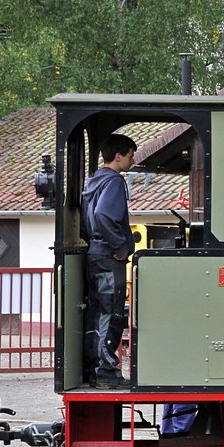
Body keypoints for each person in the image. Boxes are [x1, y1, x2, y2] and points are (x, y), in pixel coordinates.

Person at [81, 134, 137, 389]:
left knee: (98, 312)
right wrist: (120, 248)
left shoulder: (93, 180)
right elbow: (104, 214)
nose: (133, 160)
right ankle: (105, 369)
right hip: (107, 255)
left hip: (94, 253)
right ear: (118, 156)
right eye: (131, 155)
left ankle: (95, 367)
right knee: (112, 312)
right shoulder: (114, 182)